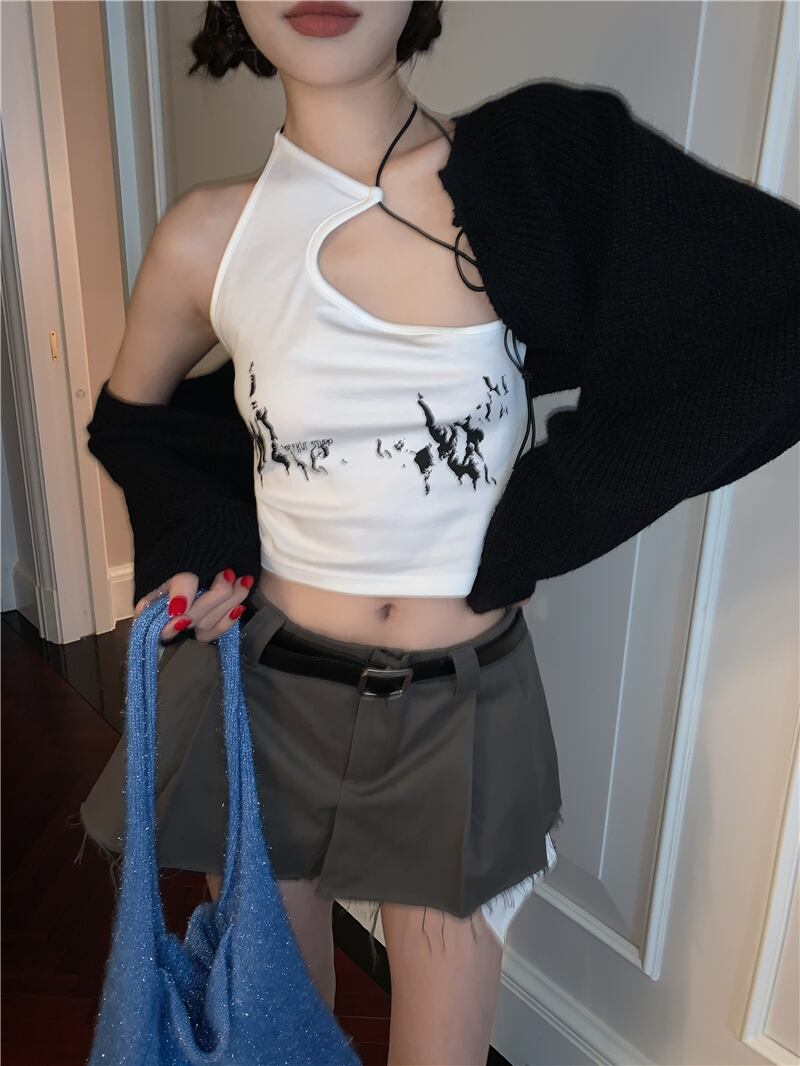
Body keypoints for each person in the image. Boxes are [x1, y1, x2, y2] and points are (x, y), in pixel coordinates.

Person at [77, 2, 800, 1063]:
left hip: (456, 709)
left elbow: (771, 314)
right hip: (270, 693)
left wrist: (560, 505)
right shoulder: (205, 238)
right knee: (272, 1030)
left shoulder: (527, 183)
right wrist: (199, 549)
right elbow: (133, 425)